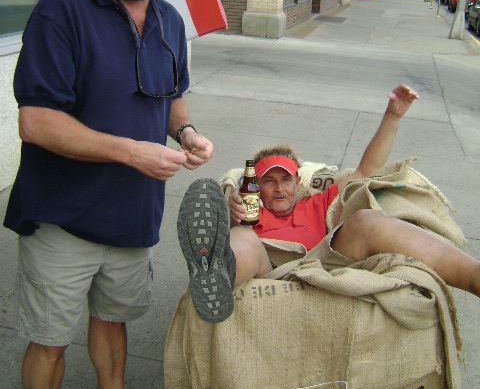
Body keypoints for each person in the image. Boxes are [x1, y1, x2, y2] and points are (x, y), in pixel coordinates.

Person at [4, 0, 214, 389]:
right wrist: (131, 151)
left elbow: (171, 94)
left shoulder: (171, 19)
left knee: (113, 318)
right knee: (48, 335)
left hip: (132, 213)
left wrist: (187, 132)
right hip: (64, 215)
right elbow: (36, 121)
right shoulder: (61, 11)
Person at [178, 83, 480, 324]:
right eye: (269, 182)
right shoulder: (249, 211)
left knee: (367, 221)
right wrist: (231, 212)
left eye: (286, 180)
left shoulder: (318, 203)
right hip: (269, 265)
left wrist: (393, 116)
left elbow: (366, 172)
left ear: (298, 183)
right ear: (257, 187)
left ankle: (473, 276)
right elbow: (239, 221)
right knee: (242, 237)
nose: (279, 189)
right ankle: (216, 274)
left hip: (323, 261)